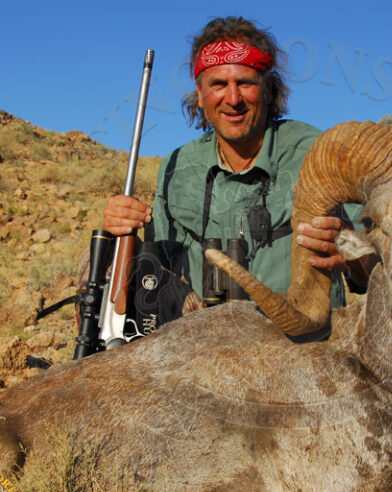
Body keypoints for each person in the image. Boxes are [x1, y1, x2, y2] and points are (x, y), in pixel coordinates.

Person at [102, 16, 370, 312]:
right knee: (96, 259)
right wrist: (122, 232)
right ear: (201, 93)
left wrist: (350, 253)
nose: (232, 98)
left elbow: (375, 270)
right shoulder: (177, 165)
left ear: (268, 89)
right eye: (218, 84)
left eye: (245, 83)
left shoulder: (318, 153)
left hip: (302, 345)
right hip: (208, 343)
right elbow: (157, 274)